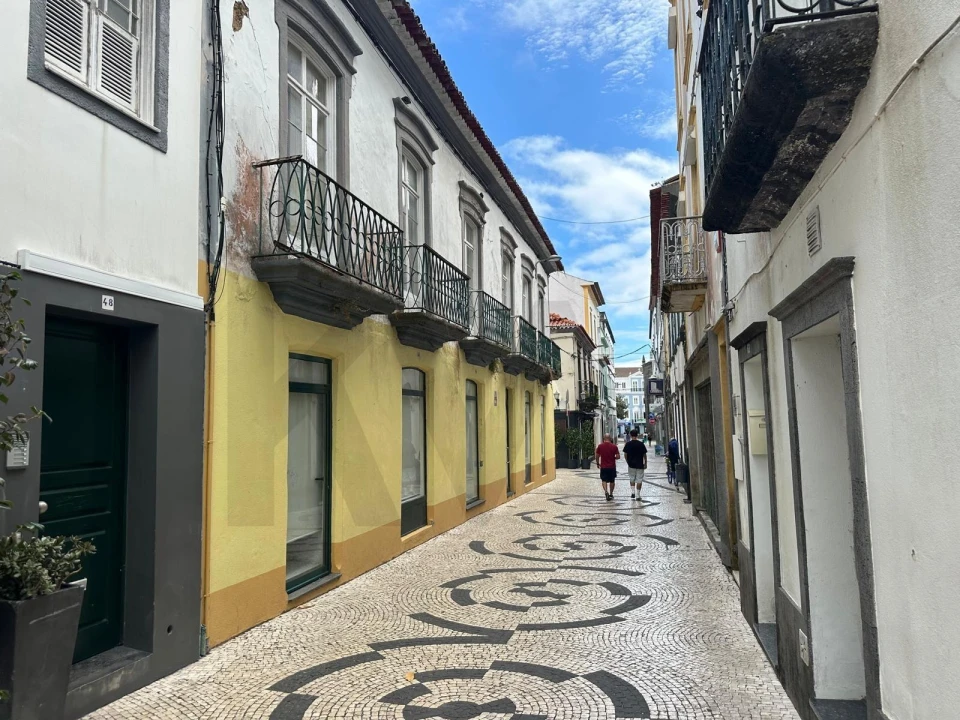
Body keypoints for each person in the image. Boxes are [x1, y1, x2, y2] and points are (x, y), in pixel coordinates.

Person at [622, 429, 648, 500]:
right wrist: (645, 463)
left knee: (632, 478)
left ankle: (633, 492)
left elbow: (625, 454)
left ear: (630, 435)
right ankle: (638, 495)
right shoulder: (641, 444)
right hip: (640, 464)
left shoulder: (628, 444)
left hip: (631, 465)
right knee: (639, 480)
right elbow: (644, 454)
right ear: (637, 435)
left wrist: (628, 461)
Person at [595, 433, 621, 501]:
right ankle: (611, 494)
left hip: (603, 466)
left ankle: (606, 491)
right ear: (610, 438)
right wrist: (613, 457)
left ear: (604, 438)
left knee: (604, 480)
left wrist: (597, 463)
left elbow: (597, 456)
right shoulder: (614, 447)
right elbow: (618, 456)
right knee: (612, 481)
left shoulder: (600, 446)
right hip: (612, 467)